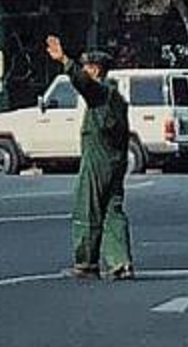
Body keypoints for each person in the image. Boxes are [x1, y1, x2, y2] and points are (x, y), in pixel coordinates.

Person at [45, 36, 134, 280]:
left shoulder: (100, 93)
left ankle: (86, 263)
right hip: (116, 161)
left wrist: (64, 60)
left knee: (88, 209)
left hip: (98, 160)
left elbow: (82, 82)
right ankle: (120, 262)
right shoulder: (117, 98)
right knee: (113, 210)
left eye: (87, 67)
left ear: (95, 70)